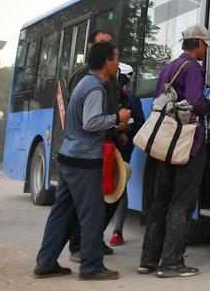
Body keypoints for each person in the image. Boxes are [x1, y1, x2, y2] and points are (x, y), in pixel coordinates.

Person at [34, 40, 131, 281]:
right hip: (84, 160)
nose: (118, 63)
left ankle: (45, 263)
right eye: (116, 59)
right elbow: (91, 122)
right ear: (107, 62)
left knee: (61, 213)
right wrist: (117, 117)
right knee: (92, 214)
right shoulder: (95, 88)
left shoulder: (86, 83)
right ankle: (91, 267)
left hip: (70, 157)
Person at [138, 24, 210, 278]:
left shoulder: (168, 68)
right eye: (205, 45)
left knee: (160, 200)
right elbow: (195, 101)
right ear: (198, 44)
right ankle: (172, 263)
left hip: (165, 144)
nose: (206, 50)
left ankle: (148, 260)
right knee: (182, 203)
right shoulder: (193, 68)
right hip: (188, 145)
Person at [67, 30, 121, 261]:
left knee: (110, 195)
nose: (110, 48)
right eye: (104, 45)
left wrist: (120, 126)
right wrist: (116, 120)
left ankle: (91, 241)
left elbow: (115, 103)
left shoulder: (111, 80)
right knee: (90, 204)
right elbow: (88, 120)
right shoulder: (86, 80)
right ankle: (83, 252)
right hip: (88, 148)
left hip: (108, 141)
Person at [107, 62, 145, 247]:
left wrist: (125, 131)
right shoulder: (104, 95)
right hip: (106, 146)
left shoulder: (131, 99)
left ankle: (117, 231)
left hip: (122, 150)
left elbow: (139, 124)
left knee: (120, 187)